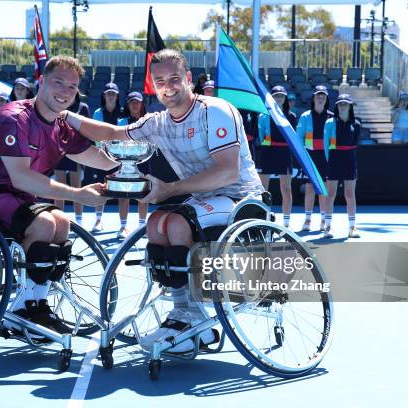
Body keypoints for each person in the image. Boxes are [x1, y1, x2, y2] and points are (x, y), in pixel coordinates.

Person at [62, 48, 264, 353]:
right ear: (153, 86)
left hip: (241, 199)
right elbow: (113, 132)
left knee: (177, 220)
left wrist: (170, 189)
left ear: (188, 79)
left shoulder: (216, 110)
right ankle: (182, 312)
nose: (167, 86)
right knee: (157, 222)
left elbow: (227, 171)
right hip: (201, 200)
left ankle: (195, 318)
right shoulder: (157, 122)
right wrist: (65, 117)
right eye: (159, 81)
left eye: (173, 78)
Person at [0, 56, 115, 340]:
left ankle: (34, 305)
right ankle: (19, 310)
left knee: (61, 222)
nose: (64, 91)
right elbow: (22, 177)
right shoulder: (13, 118)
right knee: (43, 226)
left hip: (15, 197)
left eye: (72, 87)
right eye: (58, 82)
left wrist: (133, 171)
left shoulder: (61, 126)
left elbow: (96, 158)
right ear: (41, 82)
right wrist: (78, 194)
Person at [91, 82, 130, 238]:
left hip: (120, 159)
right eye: (108, 93)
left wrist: (118, 153)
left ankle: (123, 226)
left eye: (113, 93)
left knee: (122, 192)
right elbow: (95, 137)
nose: (111, 96)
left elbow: (125, 136)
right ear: (104, 95)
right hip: (102, 157)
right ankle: (98, 221)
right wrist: (105, 152)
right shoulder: (97, 113)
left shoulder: (123, 114)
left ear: (117, 96)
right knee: (101, 190)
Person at [258, 86, 297, 228]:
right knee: (263, 190)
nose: (279, 98)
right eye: (276, 96)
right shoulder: (263, 115)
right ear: (271, 98)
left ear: (285, 98)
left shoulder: (292, 116)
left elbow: (294, 138)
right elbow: (262, 135)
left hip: (284, 154)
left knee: (286, 189)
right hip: (268, 153)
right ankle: (263, 220)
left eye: (281, 95)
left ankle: (286, 224)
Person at [296, 85, 333, 234]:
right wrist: (303, 157)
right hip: (310, 157)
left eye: (323, 95)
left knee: (323, 189)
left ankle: (324, 220)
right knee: (310, 189)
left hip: (325, 158)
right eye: (318, 95)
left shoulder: (331, 116)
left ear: (326, 98)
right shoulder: (305, 116)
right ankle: (307, 219)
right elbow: (299, 138)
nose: (320, 97)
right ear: (313, 97)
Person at [323, 94, 361, 239]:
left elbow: (355, 144)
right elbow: (326, 145)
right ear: (337, 106)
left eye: (345, 104)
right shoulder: (329, 123)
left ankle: (352, 227)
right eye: (340, 104)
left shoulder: (356, 124)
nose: (343, 106)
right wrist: (330, 161)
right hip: (334, 159)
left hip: (349, 160)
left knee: (350, 194)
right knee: (330, 194)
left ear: (350, 106)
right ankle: (327, 227)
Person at [53, 92, 90, 225]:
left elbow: (87, 130)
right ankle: (58, 221)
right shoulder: (58, 106)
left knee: (77, 188)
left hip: (77, 152)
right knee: (59, 188)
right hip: (60, 152)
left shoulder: (83, 107)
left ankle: (79, 222)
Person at [122, 91, 150, 229]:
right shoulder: (121, 122)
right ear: (128, 105)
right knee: (123, 194)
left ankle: (141, 226)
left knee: (143, 195)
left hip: (144, 162)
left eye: (137, 102)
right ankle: (123, 226)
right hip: (125, 162)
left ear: (141, 104)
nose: (135, 105)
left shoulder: (147, 121)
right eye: (132, 103)